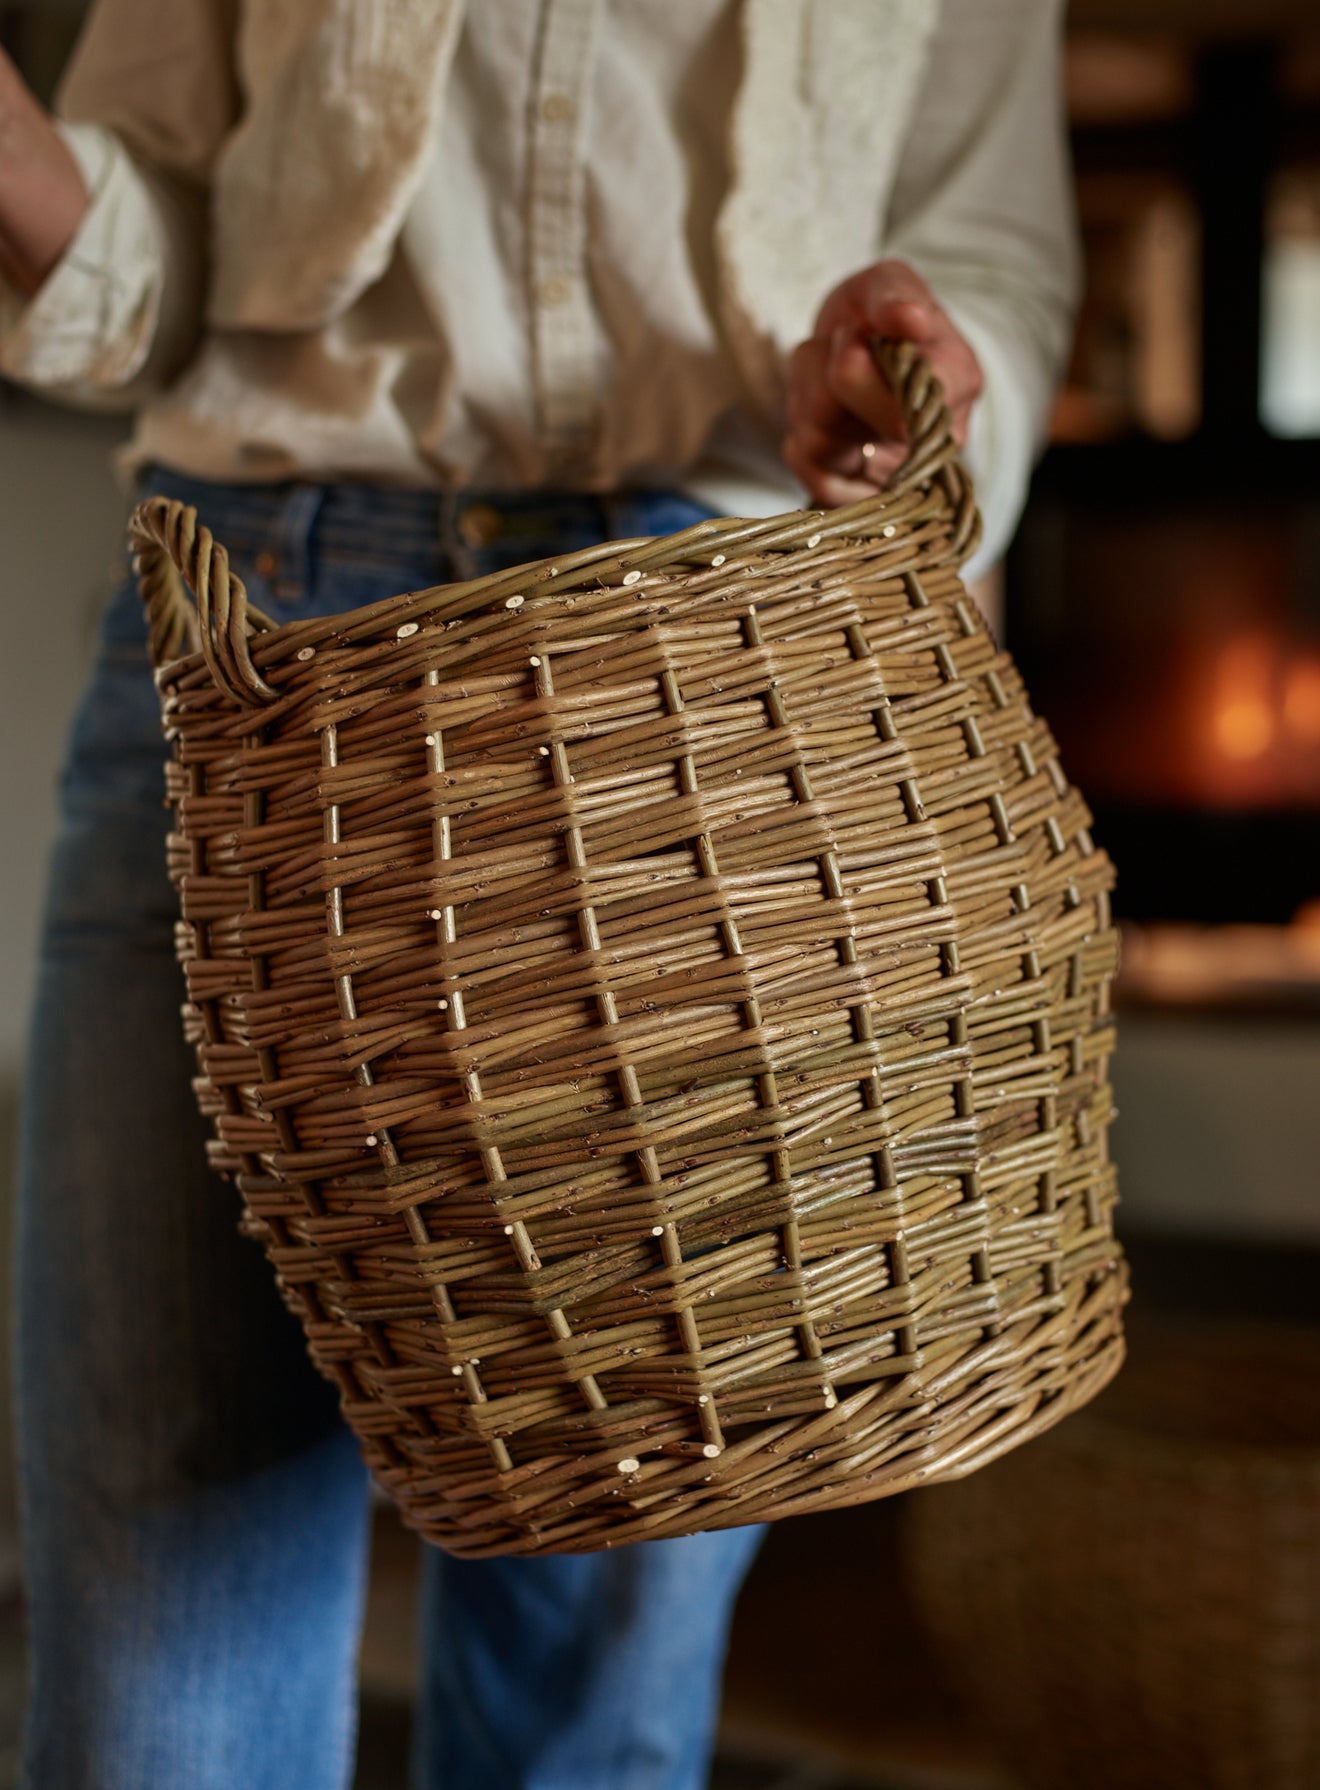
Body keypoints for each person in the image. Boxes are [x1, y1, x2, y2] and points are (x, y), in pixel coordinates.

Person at [0, 3, 1077, 1786]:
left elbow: (995, 257)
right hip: (261, 651)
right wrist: (31, 180)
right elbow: (160, 260)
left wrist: (928, 384)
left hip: (714, 707)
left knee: (587, 1729)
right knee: (152, 1719)